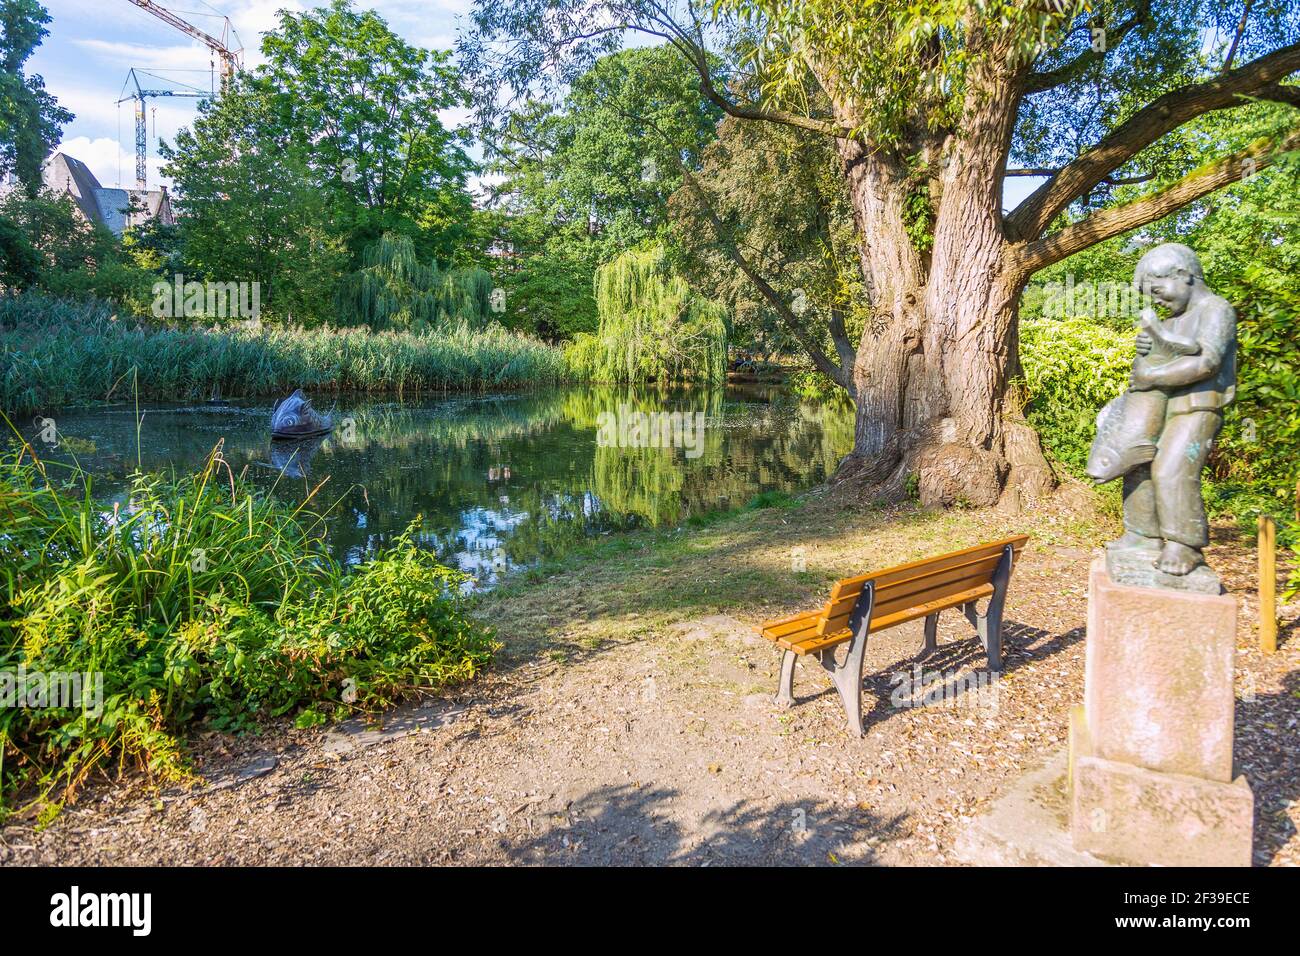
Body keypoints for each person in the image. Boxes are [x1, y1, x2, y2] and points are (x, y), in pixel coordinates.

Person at [1110, 243, 1236, 576]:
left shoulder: (1215, 309)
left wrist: (1153, 374)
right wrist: (1148, 348)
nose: (1156, 299)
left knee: (1172, 469)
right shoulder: (1173, 321)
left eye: (1158, 289)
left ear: (1182, 275)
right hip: (1163, 407)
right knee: (1139, 466)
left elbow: (1207, 361)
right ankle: (1143, 534)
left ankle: (1184, 543)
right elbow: (1165, 353)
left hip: (1198, 408)